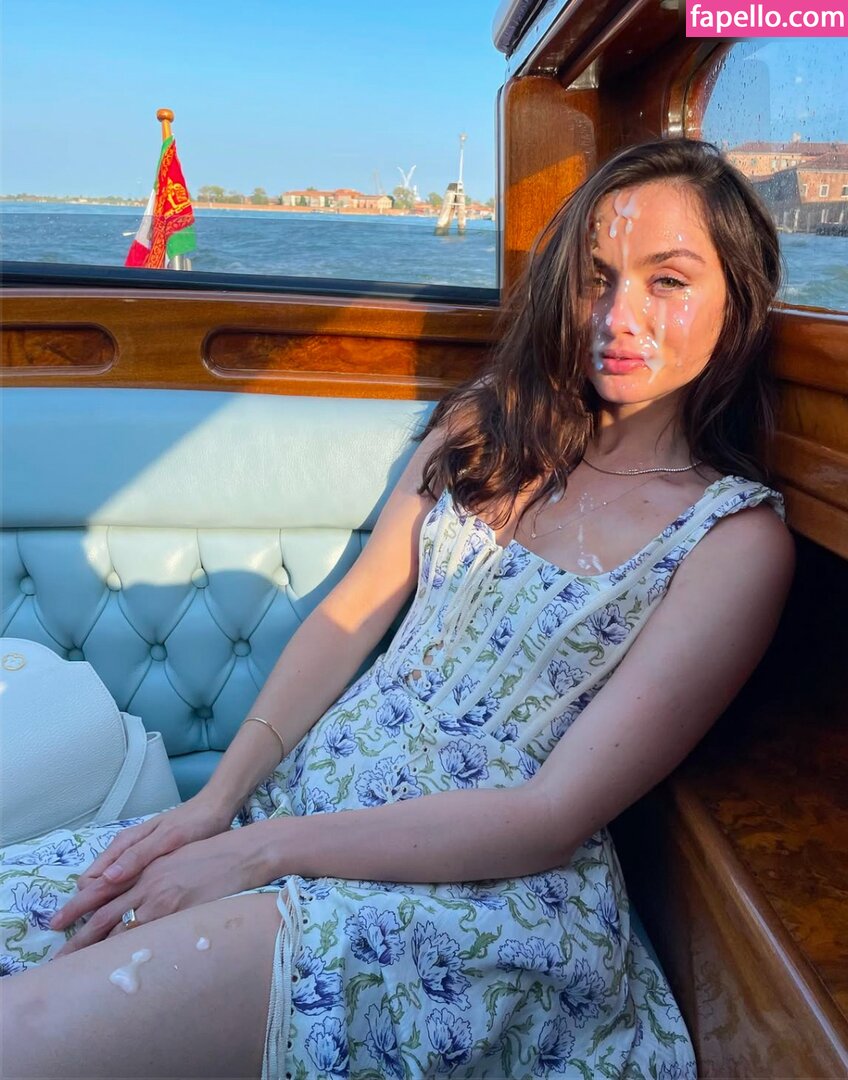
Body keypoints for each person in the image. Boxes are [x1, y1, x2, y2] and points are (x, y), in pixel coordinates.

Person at [0, 138, 794, 1079]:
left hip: (469, 898)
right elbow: (349, 618)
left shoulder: (730, 541)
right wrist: (215, 807)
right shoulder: (490, 427)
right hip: (298, 812)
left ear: (737, 304)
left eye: (668, 281)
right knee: (33, 919)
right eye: (596, 278)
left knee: (31, 1027)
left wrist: (262, 858)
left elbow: (550, 814)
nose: (619, 317)